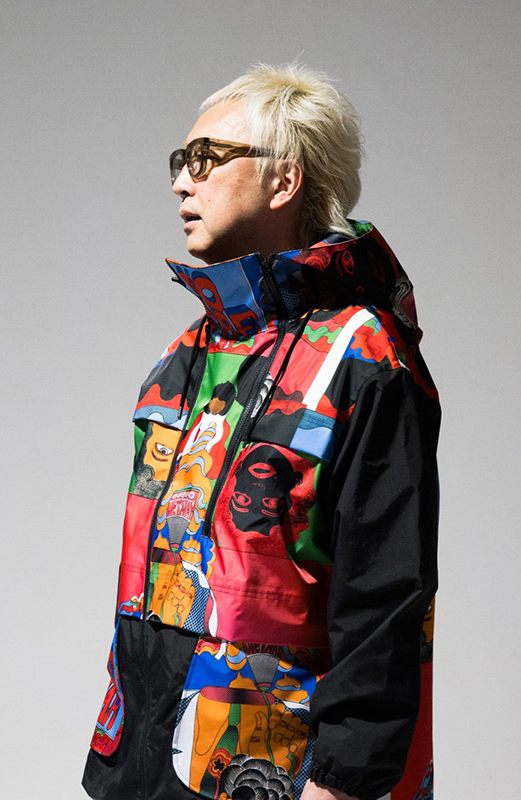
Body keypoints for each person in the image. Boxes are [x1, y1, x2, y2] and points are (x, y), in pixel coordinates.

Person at [82, 63, 439, 800]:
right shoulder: (185, 355)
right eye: (180, 161)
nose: (181, 183)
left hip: (277, 775)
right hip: (143, 767)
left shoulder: (364, 358)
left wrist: (342, 783)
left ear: (284, 181)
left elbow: (386, 593)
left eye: (205, 159)